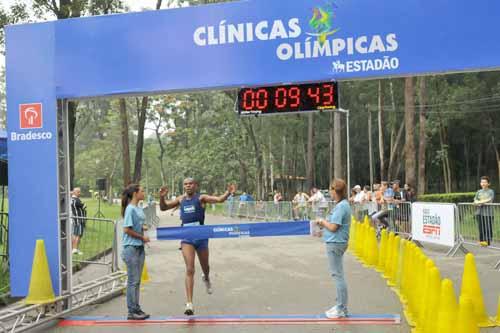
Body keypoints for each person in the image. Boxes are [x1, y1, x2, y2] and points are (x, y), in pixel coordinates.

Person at [159, 178, 236, 315]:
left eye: (190, 184)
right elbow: (164, 207)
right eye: (185, 184)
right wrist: (162, 197)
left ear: (195, 186)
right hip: (186, 237)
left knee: (205, 266)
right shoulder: (181, 199)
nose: (188, 186)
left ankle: (206, 277)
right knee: (190, 269)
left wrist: (228, 193)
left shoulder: (201, 198)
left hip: (201, 236)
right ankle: (189, 304)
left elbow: (219, 200)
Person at [315, 179, 351, 318]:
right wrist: (323, 229)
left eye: (331, 189)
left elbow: (334, 227)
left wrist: (322, 222)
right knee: (338, 275)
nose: (330, 192)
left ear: (336, 191)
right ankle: (340, 306)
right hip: (336, 242)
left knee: (338, 276)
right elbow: (333, 226)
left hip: (336, 243)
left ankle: (341, 308)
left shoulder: (341, 206)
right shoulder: (341, 205)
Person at [121, 184, 150, 320]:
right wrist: (142, 237)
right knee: (133, 281)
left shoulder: (138, 209)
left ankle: (136, 308)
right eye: (142, 191)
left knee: (137, 281)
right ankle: (131, 311)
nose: (144, 193)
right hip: (131, 248)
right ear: (135, 193)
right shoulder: (130, 209)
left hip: (139, 248)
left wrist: (143, 227)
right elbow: (126, 229)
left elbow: (138, 225)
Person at [473, 176, 495, 246]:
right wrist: (479, 202)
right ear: (480, 183)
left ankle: (487, 242)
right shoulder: (478, 192)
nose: (483, 183)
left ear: (488, 183)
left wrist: (480, 202)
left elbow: (489, 200)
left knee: (488, 228)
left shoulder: (491, 191)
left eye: (485, 182)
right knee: (481, 228)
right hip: (479, 213)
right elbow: (475, 200)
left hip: (488, 213)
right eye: (482, 182)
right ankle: (481, 241)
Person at [71, 187, 87, 255]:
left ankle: (73, 249)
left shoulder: (72, 199)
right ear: (74, 192)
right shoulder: (76, 200)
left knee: (74, 234)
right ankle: (75, 249)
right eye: (78, 192)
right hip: (79, 220)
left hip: (75, 219)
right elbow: (84, 206)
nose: (79, 193)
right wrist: (84, 204)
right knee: (78, 235)